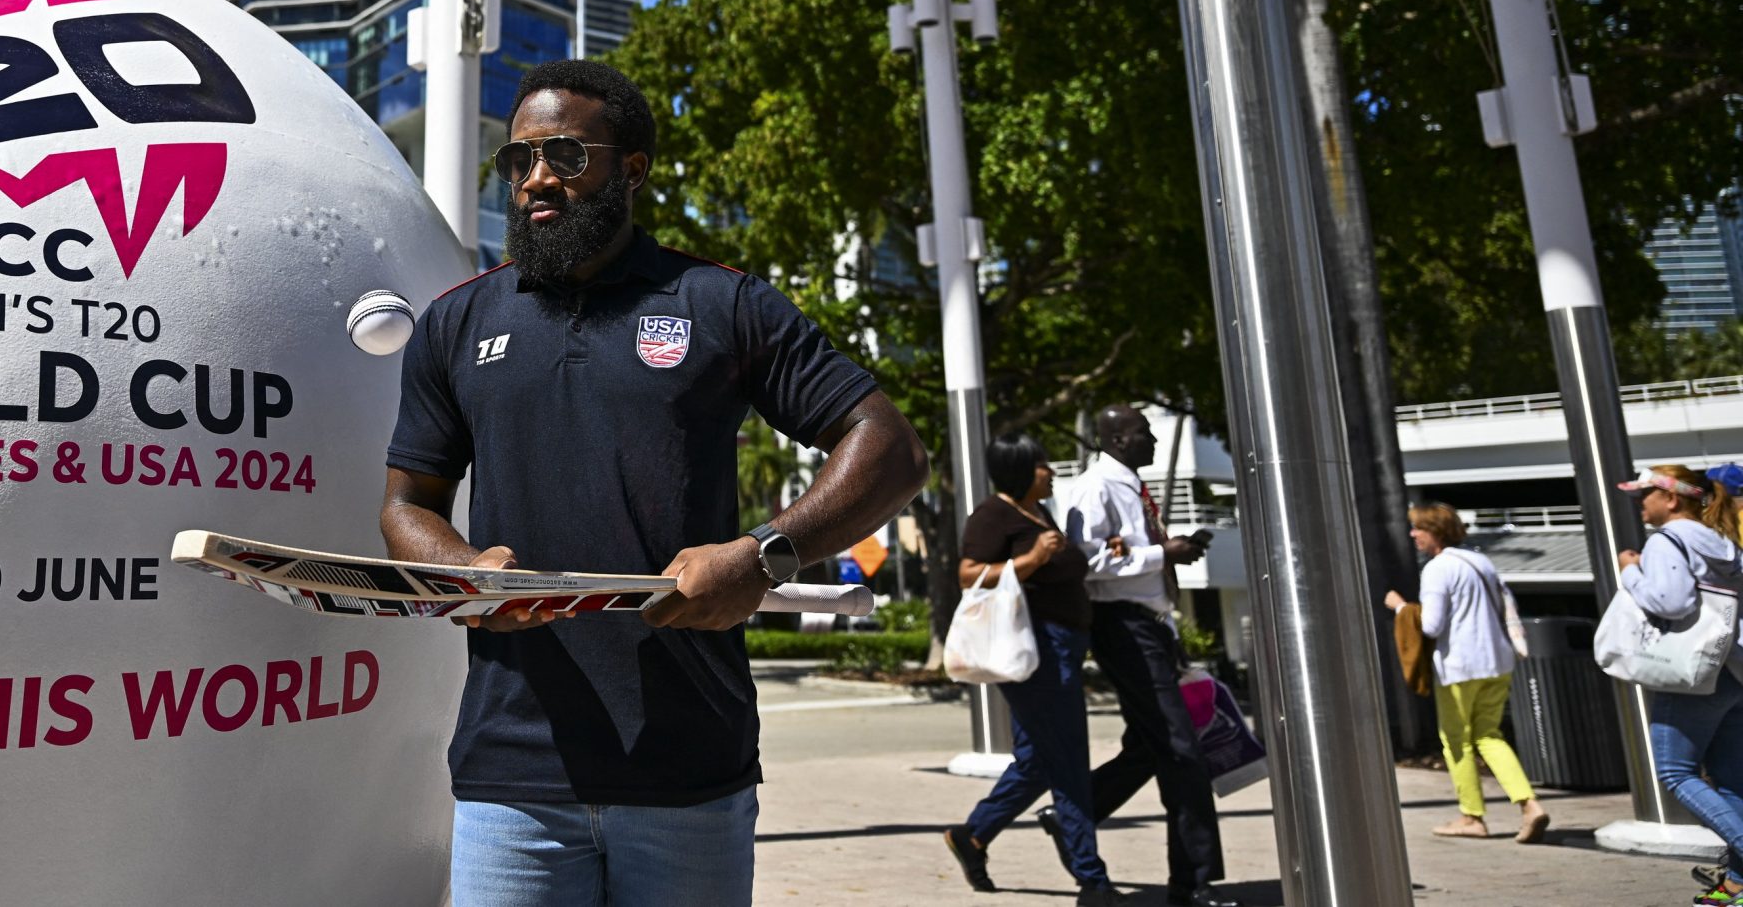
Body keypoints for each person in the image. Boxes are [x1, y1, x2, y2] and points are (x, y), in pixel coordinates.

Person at [381, 59, 929, 907]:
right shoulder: (457, 321)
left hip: (691, 769)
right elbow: (407, 505)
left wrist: (762, 556)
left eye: (565, 155)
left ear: (631, 168)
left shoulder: (720, 303)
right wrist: (464, 568)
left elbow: (888, 446)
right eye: (518, 161)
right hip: (513, 770)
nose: (535, 179)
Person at [1052, 405, 1230, 907]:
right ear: (1116, 438)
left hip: (1152, 625)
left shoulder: (1131, 484)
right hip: (1123, 627)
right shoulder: (1096, 488)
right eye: (1142, 432)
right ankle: (1192, 883)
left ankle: (1072, 815)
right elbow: (1087, 561)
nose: (1151, 439)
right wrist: (1161, 554)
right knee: (1181, 750)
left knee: (1152, 747)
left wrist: (1170, 550)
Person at [941, 434, 1122, 904]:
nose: (1051, 471)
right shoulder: (993, 514)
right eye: (1042, 464)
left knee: (1039, 760)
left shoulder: (1036, 513)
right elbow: (967, 574)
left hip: (1060, 648)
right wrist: (1033, 559)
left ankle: (972, 835)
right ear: (1021, 469)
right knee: (1067, 761)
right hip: (1036, 651)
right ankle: (1092, 880)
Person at [1383, 501, 1550, 842]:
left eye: (1419, 528)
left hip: (1459, 665)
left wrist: (1400, 607)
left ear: (1435, 532)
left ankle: (1472, 816)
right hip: (1498, 661)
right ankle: (1529, 804)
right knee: (1489, 735)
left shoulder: (1437, 568)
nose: (1413, 534)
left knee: (1456, 742)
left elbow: (1431, 625)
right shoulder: (1481, 561)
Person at [1615, 465, 1743, 907]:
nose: (1639, 502)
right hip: (1733, 671)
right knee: (1731, 780)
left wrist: (1630, 571)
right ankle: (1738, 888)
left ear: (1671, 499)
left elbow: (1672, 602)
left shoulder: (1668, 540)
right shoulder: (1724, 540)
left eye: (1644, 494)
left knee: (1675, 771)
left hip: (1693, 675)